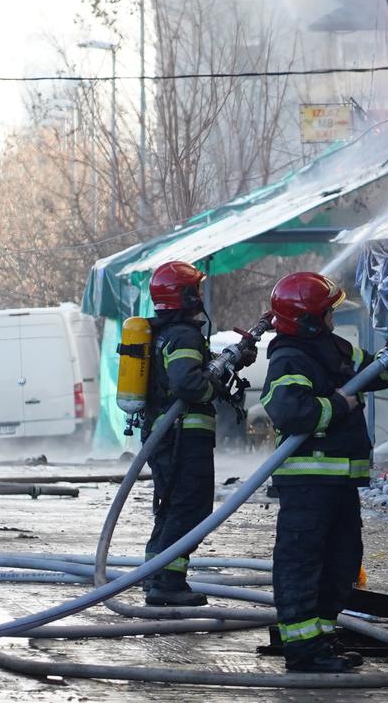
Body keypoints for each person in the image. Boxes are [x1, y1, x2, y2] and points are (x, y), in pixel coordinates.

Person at [262, 271, 388, 673]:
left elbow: (376, 374)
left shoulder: (333, 347)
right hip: (307, 484)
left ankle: (321, 638)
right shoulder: (289, 357)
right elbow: (289, 411)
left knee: (341, 562)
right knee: (302, 565)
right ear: (308, 320)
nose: (333, 317)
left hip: (338, 483)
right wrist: (339, 404)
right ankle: (302, 649)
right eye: (327, 312)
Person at [142, 260, 237, 607]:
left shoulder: (164, 332)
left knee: (172, 507)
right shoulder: (183, 334)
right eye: (196, 289)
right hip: (183, 436)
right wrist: (214, 389)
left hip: (166, 437)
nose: (200, 294)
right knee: (190, 509)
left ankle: (154, 574)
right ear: (184, 295)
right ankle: (167, 582)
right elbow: (188, 384)